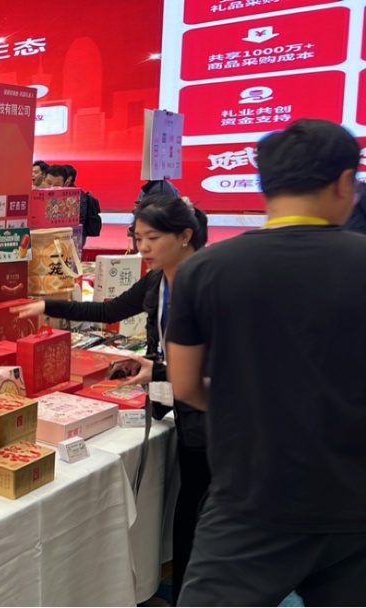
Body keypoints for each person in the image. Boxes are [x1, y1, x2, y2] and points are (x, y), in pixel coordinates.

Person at [168, 119, 366, 606]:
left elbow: (186, 385)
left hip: (249, 499)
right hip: (354, 501)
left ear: (265, 183)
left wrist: (247, 402)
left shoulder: (204, 269)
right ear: (345, 181)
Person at [12, 195, 209, 604]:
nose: (143, 248)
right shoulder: (157, 281)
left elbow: (219, 362)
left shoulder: (212, 285)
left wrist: (159, 371)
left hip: (213, 416)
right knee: (188, 503)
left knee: (204, 509)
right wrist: (47, 305)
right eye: (138, 237)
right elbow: (111, 310)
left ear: (185, 235)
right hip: (178, 407)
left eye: (153, 237)